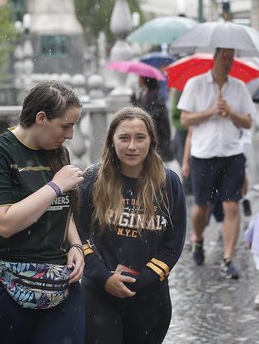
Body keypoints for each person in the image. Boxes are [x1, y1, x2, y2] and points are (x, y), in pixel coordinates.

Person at [0, 80, 86, 344]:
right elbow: (4, 223)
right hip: (3, 282)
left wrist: (76, 245)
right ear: (41, 118)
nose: (71, 135)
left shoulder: (58, 152)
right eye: (66, 125)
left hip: (59, 283)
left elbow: (60, 208)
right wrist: (55, 185)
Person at [75, 107, 186, 344]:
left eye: (140, 138)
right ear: (112, 141)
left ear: (151, 141)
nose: (132, 146)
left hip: (150, 296)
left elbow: (174, 243)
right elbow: (79, 234)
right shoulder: (92, 179)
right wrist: (103, 277)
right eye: (124, 138)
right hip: (98, 294)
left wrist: (141, 281)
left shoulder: (168, 182)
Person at [177, 47, 256, 279]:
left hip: (232, 154)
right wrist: (211, 111)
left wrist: (231, 113)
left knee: (232, 205)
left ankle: (228, 258)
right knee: (202, 206)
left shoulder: (239, 88)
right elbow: (184, 119)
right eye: (225, 57)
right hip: (204, 154)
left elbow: (248, 122)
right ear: (215, 57)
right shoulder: (195, 84)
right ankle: (199, 238)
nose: (229, 62)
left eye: (232, 58)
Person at [131, 76, 174, 162]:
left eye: (140, 78)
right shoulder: (147, 93)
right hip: (155, 134)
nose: (139, 80)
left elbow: (151, 113)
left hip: (158, 135)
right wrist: (134, 99)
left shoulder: (154, 95)